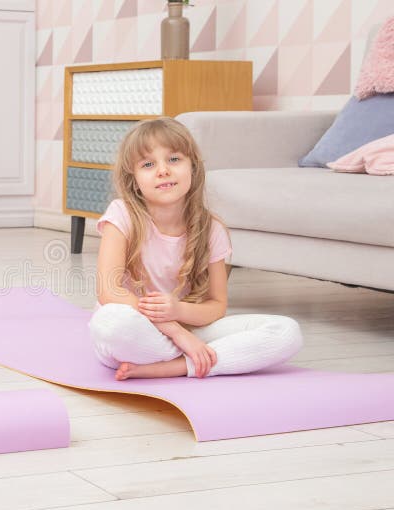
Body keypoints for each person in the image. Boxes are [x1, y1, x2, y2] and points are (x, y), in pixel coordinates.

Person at [89, 118, 303, 380]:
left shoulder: (211, 229)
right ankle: (197, 356)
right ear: (134, 180)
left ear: (193, 166)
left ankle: (178, 366)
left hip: (189, 327)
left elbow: (217, 306)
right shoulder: (121, 214)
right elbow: (108, 291)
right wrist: (176, 331)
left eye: (174, 159)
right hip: (137, 332)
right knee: (112, 322)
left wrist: (178, 312)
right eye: (148, 164)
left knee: (286, 331)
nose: (163, 170)